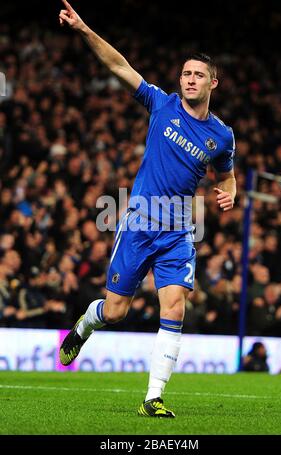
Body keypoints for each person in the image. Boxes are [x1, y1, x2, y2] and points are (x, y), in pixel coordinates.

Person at [58, 0, 236, 418]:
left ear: (214, 83)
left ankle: (153, 397)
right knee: (115, 311)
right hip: (139, 222)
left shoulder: (222, 136)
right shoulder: (163, 104)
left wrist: (228, 191)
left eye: (199, 75)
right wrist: (84, 30)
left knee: (174, 306)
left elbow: (225, 175)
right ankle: (84, 326)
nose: (190, 79)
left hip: (177, 231)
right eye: (186, 73)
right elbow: (119, 66)